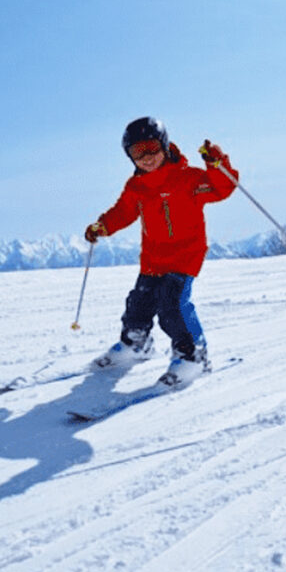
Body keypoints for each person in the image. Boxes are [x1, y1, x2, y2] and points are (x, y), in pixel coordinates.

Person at [84, 117, 238, 387]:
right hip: (153, 257)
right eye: (137, 152)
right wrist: (103, 226)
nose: (146, 157)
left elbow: (222, 188)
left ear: (164, 146)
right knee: (139, 301)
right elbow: (123, 212)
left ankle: (194, 356)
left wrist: (217, 163)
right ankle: (135, 343)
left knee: (173, 304)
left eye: (151, 148)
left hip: (185, 255)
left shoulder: (188, 178)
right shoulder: (137, 187)